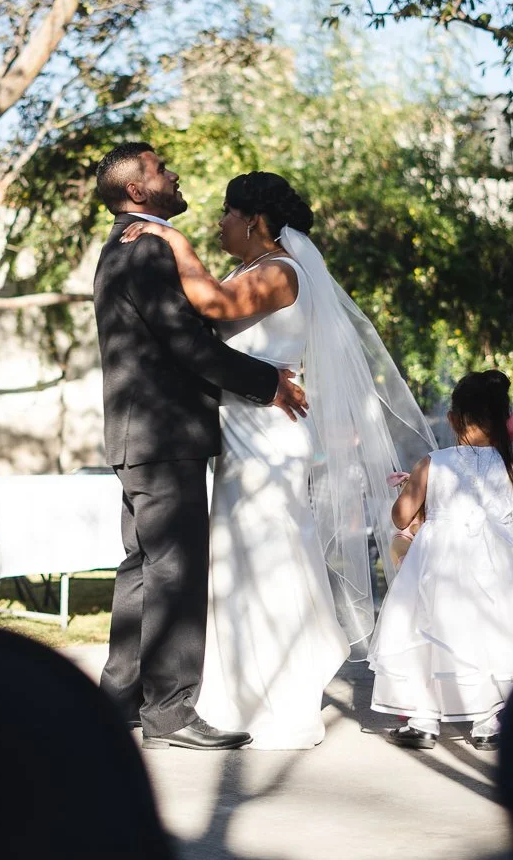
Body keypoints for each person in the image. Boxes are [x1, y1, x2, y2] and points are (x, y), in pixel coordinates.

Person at [120, 170, 435, 749]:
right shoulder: (251, 269)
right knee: (239, 562)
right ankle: (231, 692)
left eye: (225, 213)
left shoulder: (280, 272)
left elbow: (210, 303)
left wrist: (170, 239)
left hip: (267, 437)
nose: (217, 223)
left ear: (255, 222)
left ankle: (277, 699)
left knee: (266, 559)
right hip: (243, 435)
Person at [93, 144, 309, 751]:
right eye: (160, 170)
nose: (174, 173)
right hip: (166, 434)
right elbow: (188, 343)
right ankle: (170, 712)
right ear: (138, 190)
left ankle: (119, 701)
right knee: (173, 573)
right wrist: (269, 384)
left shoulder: (125, 244)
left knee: (141, 570)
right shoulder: (150, 246)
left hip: (140, 435)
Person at [368, 370, 513, 751]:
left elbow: (401, 517)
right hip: (502, 565)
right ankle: (487, 722)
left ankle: (423, 720)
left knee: (431, 632)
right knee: (495, 633)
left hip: (440, 565)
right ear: (503, 421)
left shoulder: (433, 463)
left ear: (453, 418)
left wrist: (414, 495)